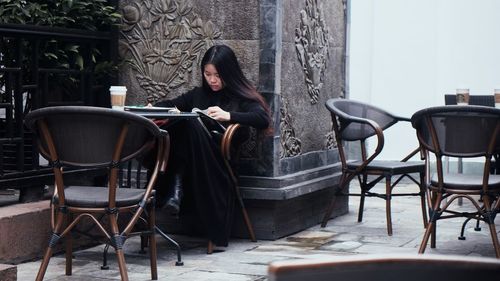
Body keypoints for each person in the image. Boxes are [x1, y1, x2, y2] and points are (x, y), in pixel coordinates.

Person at [151, 44, 271, 248]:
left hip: (217, 156)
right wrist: (153, 108)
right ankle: (175, 189)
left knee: (188, 123)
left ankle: (175, 190)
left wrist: (229, 116)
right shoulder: (198, 94)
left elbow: (262, 118)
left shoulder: (239, 96)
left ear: (229, 73)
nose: (212, 80)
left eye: (217, 75)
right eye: (207, 74)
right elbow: (174, 103)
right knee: (180, 121)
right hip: (192, 155)